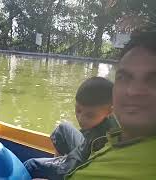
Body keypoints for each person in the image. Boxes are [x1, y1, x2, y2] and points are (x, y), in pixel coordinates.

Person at [66, 30, 156, 179]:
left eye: (153, 80)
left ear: (109, 110)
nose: (133, 91)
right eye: (124, 77)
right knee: (63, 127)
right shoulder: (116, 136)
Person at [24, 77, 119, 179]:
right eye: (78, 110)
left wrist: (63, 168)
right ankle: (57, 166)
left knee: (31, 165)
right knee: (63, 128)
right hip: (85, 151)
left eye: (90, 115)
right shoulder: (115, 117)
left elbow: (78, 167)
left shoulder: (101, 140)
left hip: (82, 166)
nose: (81, 119)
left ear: (110, 111)